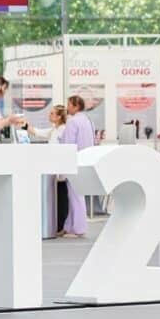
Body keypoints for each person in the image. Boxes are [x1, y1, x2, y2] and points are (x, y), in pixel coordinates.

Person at [59, 96, 95, 238]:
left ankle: (79, 228)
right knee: (76, 195)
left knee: (75, 196)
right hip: (86, 160)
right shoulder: (88, 121)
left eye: (69, 105)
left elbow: (68, 143)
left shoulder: (72, 121)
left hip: (73, 161)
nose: (67, 108)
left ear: (75, 106)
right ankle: (70, 227)